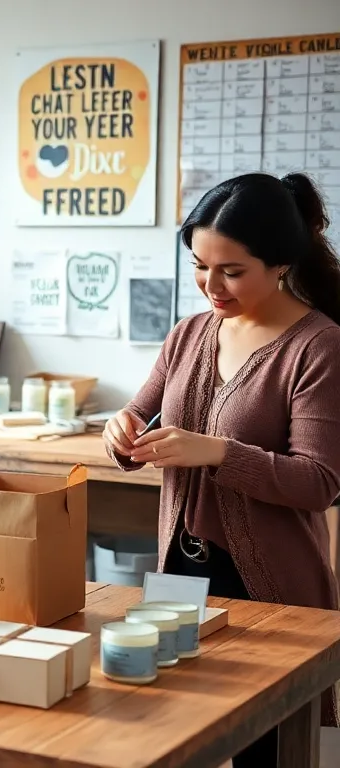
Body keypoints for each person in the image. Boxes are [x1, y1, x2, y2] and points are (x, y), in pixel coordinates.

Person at [103, 172, 340, 765]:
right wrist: (120, 434)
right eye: (199, 265)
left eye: (232, 271)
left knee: (265, 747)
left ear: (280, 262)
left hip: (272, 587)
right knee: (173, 736)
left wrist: (219, 453)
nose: (211, 285)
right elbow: (139, 416)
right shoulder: (188, 334)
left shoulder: (318, 346)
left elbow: (320, 483)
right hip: (180, 576)